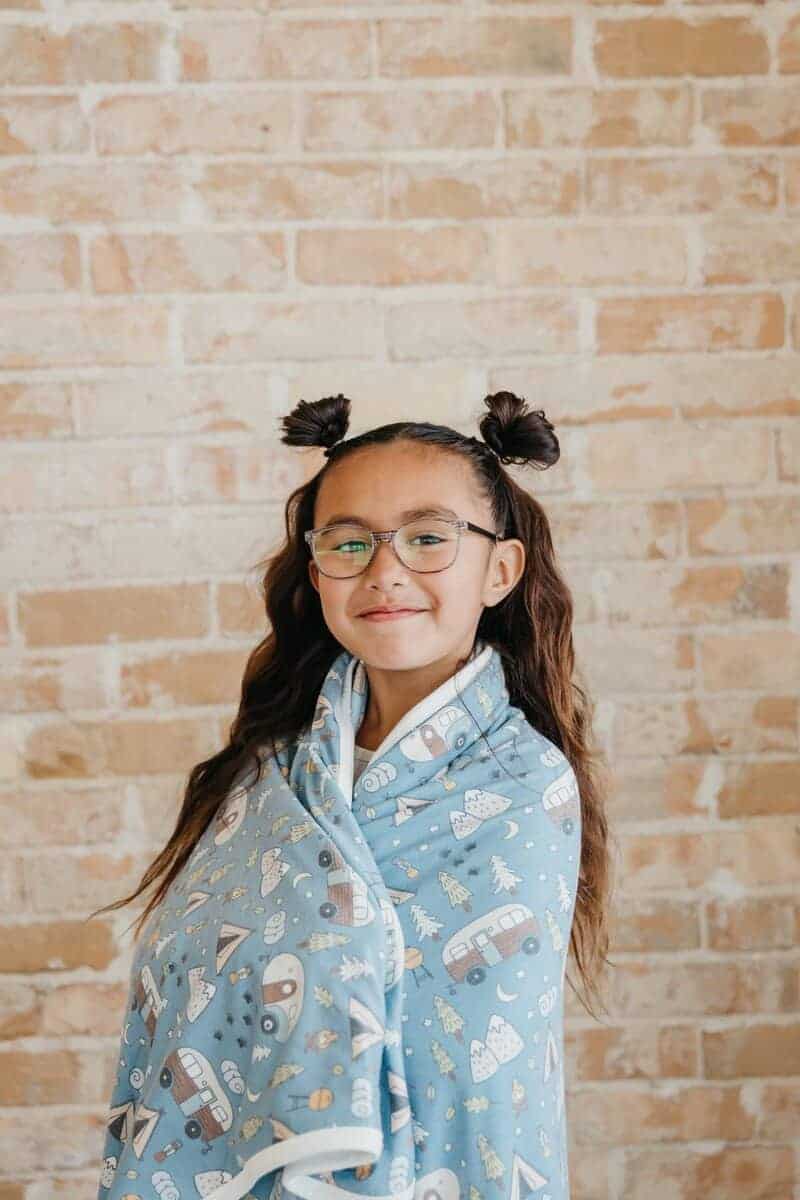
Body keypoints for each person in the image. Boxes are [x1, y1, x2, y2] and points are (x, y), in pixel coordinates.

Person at [90, 391, 612, 1200]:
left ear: (500, 570)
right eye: (349, 543)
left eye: (428, 538)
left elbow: (472, 1049)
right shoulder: (270, 774)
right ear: (317, 572)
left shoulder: (523, 785)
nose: (385, 572)